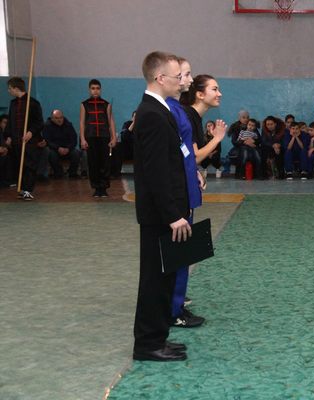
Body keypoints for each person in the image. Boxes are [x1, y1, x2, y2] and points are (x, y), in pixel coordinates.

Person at [132, 51, 192, 362]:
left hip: (166, 213)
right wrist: (172, 215)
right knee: (155, 280)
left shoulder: (159, 110)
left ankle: (158, 338)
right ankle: (147, 344)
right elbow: (156, 173)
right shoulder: (152, 114)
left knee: (165, 278)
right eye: (176, 76)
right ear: (160, 78)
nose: (181, 81)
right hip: (160, 216)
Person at [165, 57, 206, 329]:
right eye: (186, 74)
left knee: (184, 253)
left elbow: (185, 151)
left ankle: (177, 304)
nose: (190, 79)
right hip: (176, 192)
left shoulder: (178, 109)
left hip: (186, 187)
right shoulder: (167, 110)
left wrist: (194, 171)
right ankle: (173, 309)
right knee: (177, 254)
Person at [6, 77, 44, 201]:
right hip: (16, 140)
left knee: (29, 165)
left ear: (16, 88)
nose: (9, 91)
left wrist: (31, 132)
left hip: (29, 141)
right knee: (19, 165)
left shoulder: (32, 103)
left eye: (10, 88)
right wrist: (8, 136)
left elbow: (39, 122)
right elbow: (10, 121)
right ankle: (22, 189)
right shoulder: (13, 103)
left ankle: (28, 190)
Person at [80, 79, 117, 198]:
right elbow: (82, 122)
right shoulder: (84, 104)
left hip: (104, 136)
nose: (95, 91)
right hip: (90, 136)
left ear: (100, 90)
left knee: (105, 163)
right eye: (93, 88)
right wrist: (82, 139)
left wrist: (113, 138)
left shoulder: (106, 104)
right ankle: (96, 188)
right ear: (89, 90)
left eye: (97, 88)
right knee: (93, 163)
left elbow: (111, 122)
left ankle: (104, 187)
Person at [42, 110, 81, 178]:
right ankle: (58, 173)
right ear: (52, 118)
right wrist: (58, 148)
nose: (59, 120)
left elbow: (74, 139)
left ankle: (72, 173)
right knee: (51, 155)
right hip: (54, 149)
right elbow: (47, 141)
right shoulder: (47, 126)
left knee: (76, 153)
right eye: (57, 118)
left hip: (68, 149)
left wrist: (68, 148)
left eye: (61, 117)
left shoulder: (68, 125)